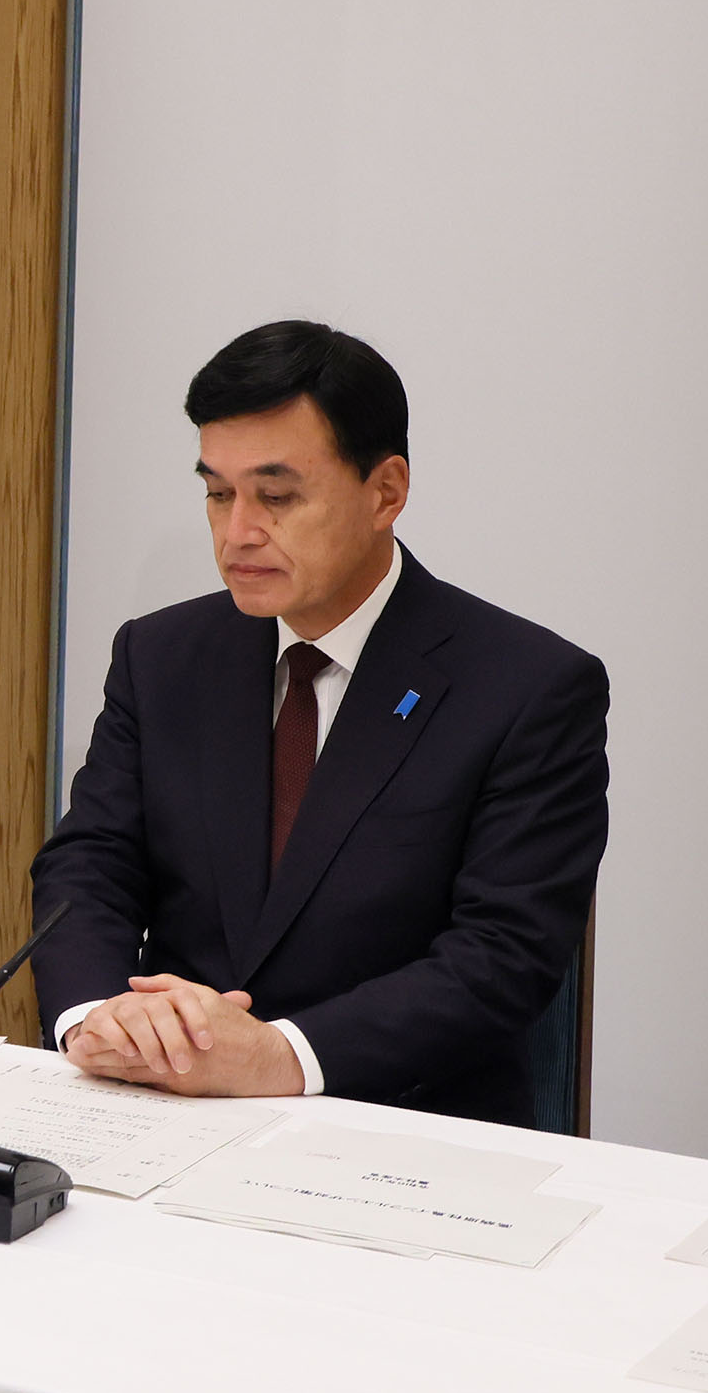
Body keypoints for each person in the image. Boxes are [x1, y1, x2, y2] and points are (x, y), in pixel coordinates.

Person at [33, 320, 608, 1126]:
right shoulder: (161, 654)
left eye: (276, 495)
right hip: (163, 1115)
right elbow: (90, 866)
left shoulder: (528, 688)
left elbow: (501, 957)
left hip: (402, 1128)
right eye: (217, 491)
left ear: (386, 491)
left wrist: (284, 1055)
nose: (238, 533)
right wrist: (95, 1014)